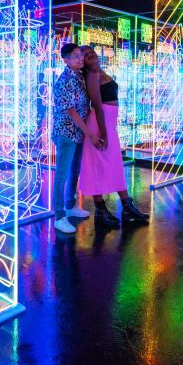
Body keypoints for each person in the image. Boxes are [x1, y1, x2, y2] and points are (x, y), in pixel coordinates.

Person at [78, 47, 148, 228]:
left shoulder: (99, 72)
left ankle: (126, 206)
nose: (90, 54)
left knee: (114, 163)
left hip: (108, 123)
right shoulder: (92, 75)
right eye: (85, 54)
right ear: (83, 61)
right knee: (98, 165)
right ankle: (102, 210)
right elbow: (98, 106)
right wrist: (103, 132)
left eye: (90, 51)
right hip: (101, 123)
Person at [51, 43, 104, 234]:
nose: (80, 58)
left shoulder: (79, 76)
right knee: (62, 174)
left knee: (74, 171)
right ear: (65, 60)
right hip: (66, 132)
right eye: (75, 56)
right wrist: (89, 133)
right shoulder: (65, 80)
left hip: (78, 132)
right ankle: (59, 216)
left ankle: (70, 205)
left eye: (80, 55)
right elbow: (71, 111)